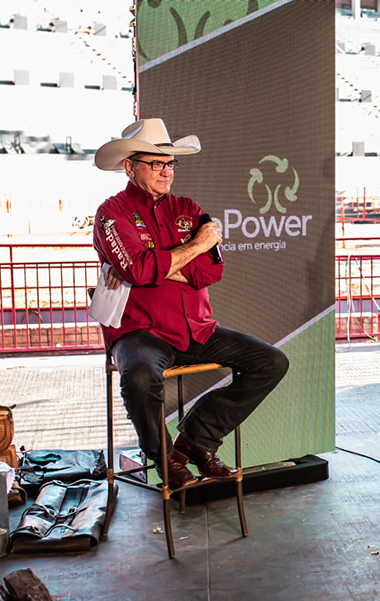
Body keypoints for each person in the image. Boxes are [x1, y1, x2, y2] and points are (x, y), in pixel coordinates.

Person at [92, 118, 289, 488]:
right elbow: (138, 269)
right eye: (156, 163)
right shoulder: (111, 212)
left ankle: (197, 439)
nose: (166, 171)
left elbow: (212, 271)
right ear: (130, 167)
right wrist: (195, 247)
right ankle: (165, 459)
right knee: (139, 378)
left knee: (272, 362)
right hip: (139, 332)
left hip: (196, 328)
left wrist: (155, 266)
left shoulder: (189, 208)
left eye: (170, 163)